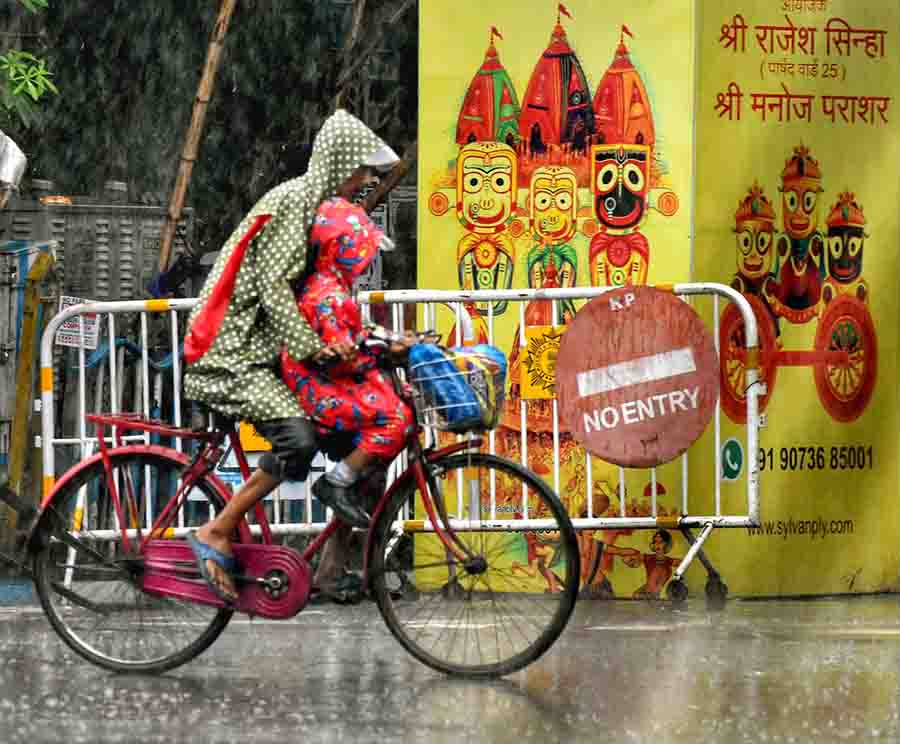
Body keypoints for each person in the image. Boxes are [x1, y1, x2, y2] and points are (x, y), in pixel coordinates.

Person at [182, 109, 399, 602]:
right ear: (342, 163)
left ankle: (327, 566)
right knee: (298, 440)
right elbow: (275, 288)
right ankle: (218, 528)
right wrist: (312, 349)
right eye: (363, 170)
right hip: (230, 353)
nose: (367, 181)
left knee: (347, 438)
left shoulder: (314, 207)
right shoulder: (296, 202)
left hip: (262, 352)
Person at [281, 197, 415, 527]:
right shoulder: (329, 296)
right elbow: (342, 354)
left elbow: (358, 332)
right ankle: (336, 482)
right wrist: (384, 349)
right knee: (396, 419)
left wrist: (390, 338)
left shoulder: (329, 287)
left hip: (326, 382)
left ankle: (332, 569)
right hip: (318, 389)